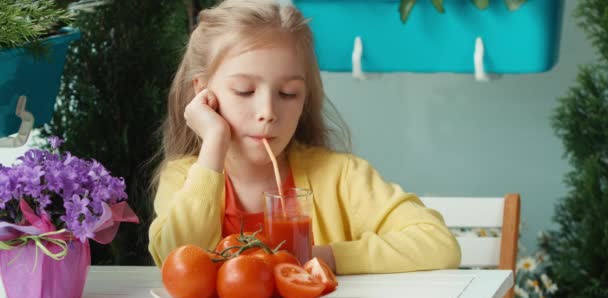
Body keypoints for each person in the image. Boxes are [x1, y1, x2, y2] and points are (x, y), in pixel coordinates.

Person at [148, 0, 461, 274]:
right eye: (245, 90)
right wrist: (213, 143)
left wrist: (323, 256)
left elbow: (438, 243)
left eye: (288, 93)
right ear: (204, 95)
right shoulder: (183, 179)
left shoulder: (340, 177)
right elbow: (176, 260)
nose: (268, 111)